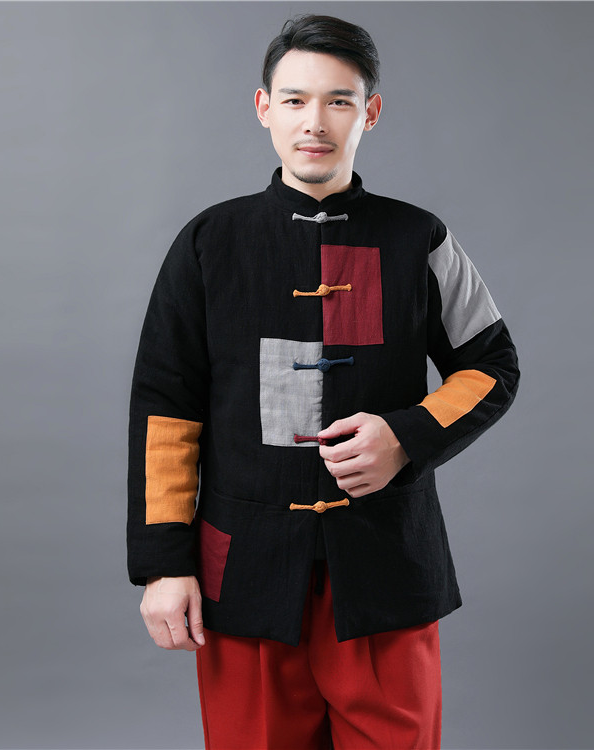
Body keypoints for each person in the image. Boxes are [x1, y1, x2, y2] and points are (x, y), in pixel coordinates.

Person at [128, 14, 519, 750]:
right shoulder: (209, 243)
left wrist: (405, 436)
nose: (316, 121)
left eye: (340, 100)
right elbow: (166, 412)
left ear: (370, 112)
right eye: (296, 99)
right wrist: (163, 566)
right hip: (243, 570)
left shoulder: (417, 238)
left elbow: (493, 365)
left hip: (385, 567)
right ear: (263, 108)